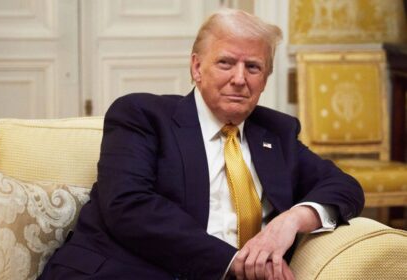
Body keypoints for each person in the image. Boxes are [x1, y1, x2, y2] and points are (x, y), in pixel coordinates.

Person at [39, 9, 364, 280]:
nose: (240, 78)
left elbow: (344, 186)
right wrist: (236, 262)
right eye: (226, 63)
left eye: (253, 67)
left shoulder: (275, 132)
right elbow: (128, 206)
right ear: (196, 67)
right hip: (123, 271)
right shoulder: (143, 115)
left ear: (265, 79)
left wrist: (290, 221)